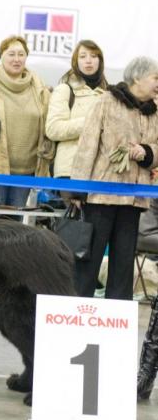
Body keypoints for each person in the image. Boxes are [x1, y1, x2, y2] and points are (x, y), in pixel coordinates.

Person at [71, 56, 158, 301]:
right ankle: (77, 309)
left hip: (135, 200)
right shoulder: (107, 102)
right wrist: (78, 191)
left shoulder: (154, 111)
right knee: (88, 261)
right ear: (138, 77)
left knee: (122, 266)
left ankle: (116, 315)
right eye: (155, 78)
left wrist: (147, 152)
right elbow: (87, 146)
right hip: (101, 196)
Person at [0, 35, 54, 208]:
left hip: (27, 172)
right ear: (1, 56)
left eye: (21, 54)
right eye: (11, 54)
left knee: (16, 225)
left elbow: (50, 122)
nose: (17, 59)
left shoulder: (40, 90)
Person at [45, 40, 107, 191]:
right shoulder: (65, 89)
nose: (88, 60)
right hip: (70, 170)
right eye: (83, 56)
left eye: (93, 56)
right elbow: (53, 129)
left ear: (100, 61)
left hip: (101, 171)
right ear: (75, 61)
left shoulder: (107, 94)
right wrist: (90, 123)